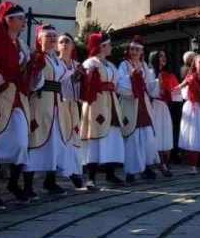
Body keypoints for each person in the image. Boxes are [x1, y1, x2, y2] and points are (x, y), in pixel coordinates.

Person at [0, 2, 33, 201]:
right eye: (20, 18)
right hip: (2, 96)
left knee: (22, 142)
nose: (24, 22)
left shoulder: (23, 45)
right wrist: (8, 74)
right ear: (8, 20)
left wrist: (33, 71)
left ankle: (13, 182)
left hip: (20, 98)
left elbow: (27, 71)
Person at [79, 33, 126, 188]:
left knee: (112, 137)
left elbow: (119, 84)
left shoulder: (111, 65)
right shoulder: (90, 63)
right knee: (95, 136)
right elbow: (85, 85)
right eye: (109, 44)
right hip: (97, 103)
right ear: (101, 46)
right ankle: (90, 177)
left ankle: (110, 174)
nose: (111, 47)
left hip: (111, 102)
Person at [27, 25, 68, 196]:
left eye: (54, 35)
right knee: (37, 139)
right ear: (39, 39)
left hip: (56, 103)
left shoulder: (57, 59)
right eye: (48, 36)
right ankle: (28, 185)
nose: (52, 38)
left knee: (55, 141)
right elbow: (31, 80)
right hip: (40, 102)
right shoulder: (37, 57)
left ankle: (50, 181)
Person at [117, 36, 161, 182]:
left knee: (147, 135)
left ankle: (146, 166)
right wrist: (132, 76)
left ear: (142, 51)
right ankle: (130, 170)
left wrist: (156, 81)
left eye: (137, 49)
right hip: (130, 103)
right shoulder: (124, 64)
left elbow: (149, 87)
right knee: (132, 136)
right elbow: (119, 84)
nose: (134, 52)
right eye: (132, 49)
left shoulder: (144, 66)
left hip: (143, 102)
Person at [56, 33, 87, 189]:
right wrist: (73, 78)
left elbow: (82, 87)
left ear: (73, 45)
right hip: (59, 105)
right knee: (61, 135)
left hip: (73, 106)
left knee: (74, 136)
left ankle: (73, 170)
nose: (64, 44)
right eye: (61, 42)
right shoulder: (55, 63)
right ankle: (61, 170)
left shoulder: (77, 64)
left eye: (67, 41)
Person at [149, 50, 178, 176]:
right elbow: (149, 90)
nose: (163, 58)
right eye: (161, 56)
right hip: (154, 105)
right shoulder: (150, 73)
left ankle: (164, 163)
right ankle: (158, 164)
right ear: (155, 58)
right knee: (156, 135)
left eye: (164, 56)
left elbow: (175, 92)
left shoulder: (169, 75)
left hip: (164, 106)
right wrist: (158, 82)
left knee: (165, 134)